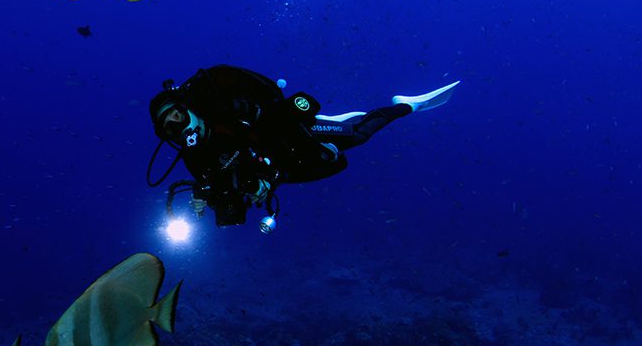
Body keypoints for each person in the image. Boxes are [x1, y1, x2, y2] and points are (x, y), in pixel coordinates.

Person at [148, 65, 459, 229]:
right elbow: (222, 188)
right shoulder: (193, 156)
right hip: (280, 166)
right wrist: (209, 200)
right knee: (333, 164)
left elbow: (268, 124)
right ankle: (334, 128)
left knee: (356, 137)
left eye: (176, 115)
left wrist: (262, 173)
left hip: (288, 134)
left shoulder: (226, 110)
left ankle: (408, 106)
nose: (178, 126)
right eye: (169, 127)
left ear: (187, 106)